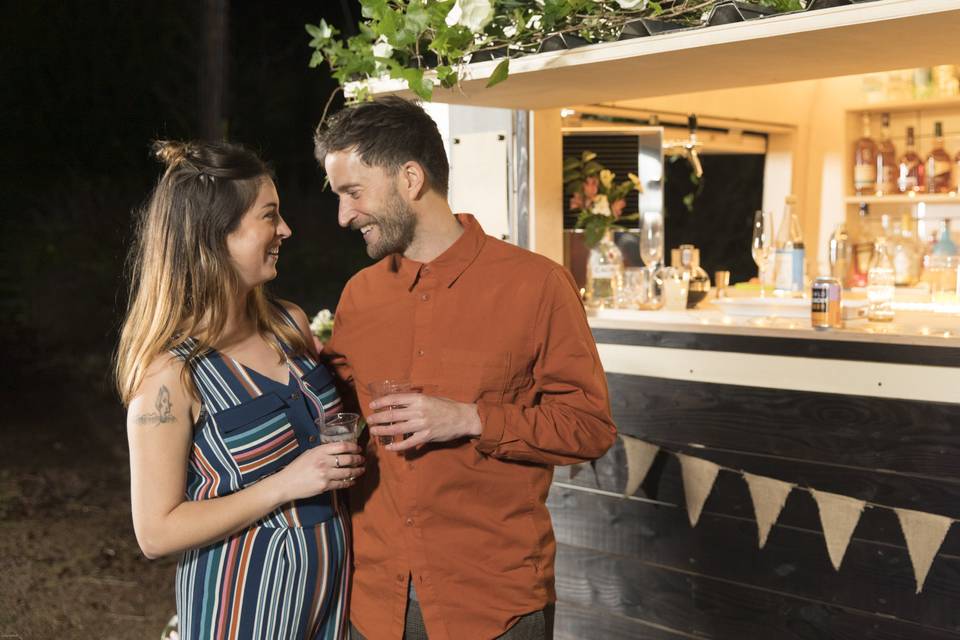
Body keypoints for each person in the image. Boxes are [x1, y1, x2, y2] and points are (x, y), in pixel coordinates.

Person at [314, 97, 617, 640]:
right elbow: (333, 411)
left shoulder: (537, 285)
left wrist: (471, 419)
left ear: (410, 178)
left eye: (352, 192)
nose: (343, 216)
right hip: (374, 600)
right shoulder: (359, 296)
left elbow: (590, 428)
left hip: (491, 603)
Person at [115, 140, 363, 639]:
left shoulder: (288, 324)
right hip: (243, 604)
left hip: (331, 599)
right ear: (216, 236)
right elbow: (156, 533)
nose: (285, 230)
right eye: (269, 216)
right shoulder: (170, 375)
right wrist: (286, 483)